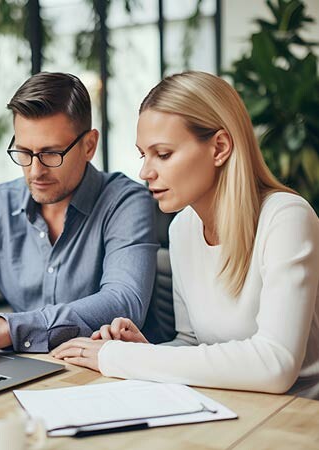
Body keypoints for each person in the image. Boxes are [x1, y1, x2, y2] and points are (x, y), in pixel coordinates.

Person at [52, 71, 319, 398]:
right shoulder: (183, 229)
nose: (145, 172)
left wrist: (129, 358)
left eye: (163, 154)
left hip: (296, 420)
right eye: (143, 155)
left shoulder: (286, 218)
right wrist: (147, 348)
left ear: (219, 147)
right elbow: (193, 343)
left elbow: (276, 363)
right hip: (230, 409)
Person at [0, 72, 159, 354]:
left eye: (51, 153)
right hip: (25, 373)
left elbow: (122, 302)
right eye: (23, 152)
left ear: (89, 145)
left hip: (104, 378)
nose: (35, 171)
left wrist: (5, 329)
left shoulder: (125, 202)